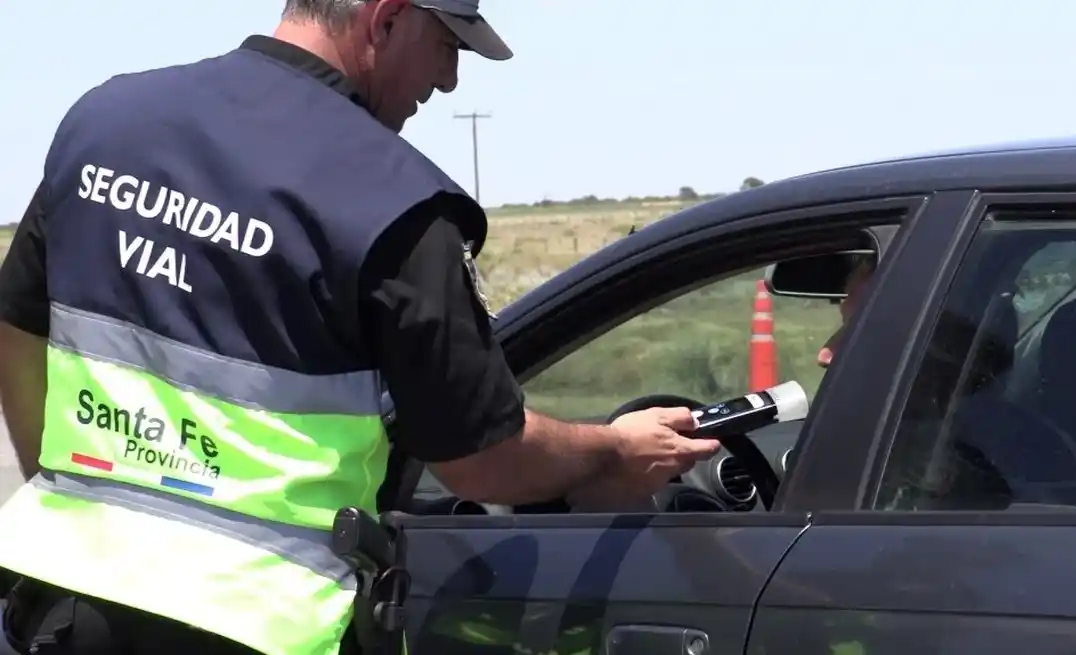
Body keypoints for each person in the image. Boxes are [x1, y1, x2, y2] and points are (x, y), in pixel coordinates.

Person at [0, 1, 720, 654]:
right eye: (448, 46)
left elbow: (18, 331)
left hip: (68, 608)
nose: (447, 83)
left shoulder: (107, 122)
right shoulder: (396, 201)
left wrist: (68, 487)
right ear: (384, 18)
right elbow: (484, 457)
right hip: (260, 628)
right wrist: (611, 449)